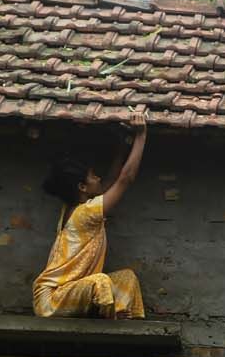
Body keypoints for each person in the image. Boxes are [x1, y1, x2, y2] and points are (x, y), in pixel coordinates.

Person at [32, 112, 148, 319]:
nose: (99, 178)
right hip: (51, 300)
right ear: (82, 187)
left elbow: (113, 179)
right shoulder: (86, 213)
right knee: (100, 282)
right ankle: (104, 319)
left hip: (73, 292)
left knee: (127, 279)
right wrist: (141, 136)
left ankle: (117, 319)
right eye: (93, 176)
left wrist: (122, 148)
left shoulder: (79, 207)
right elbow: (125, 179)